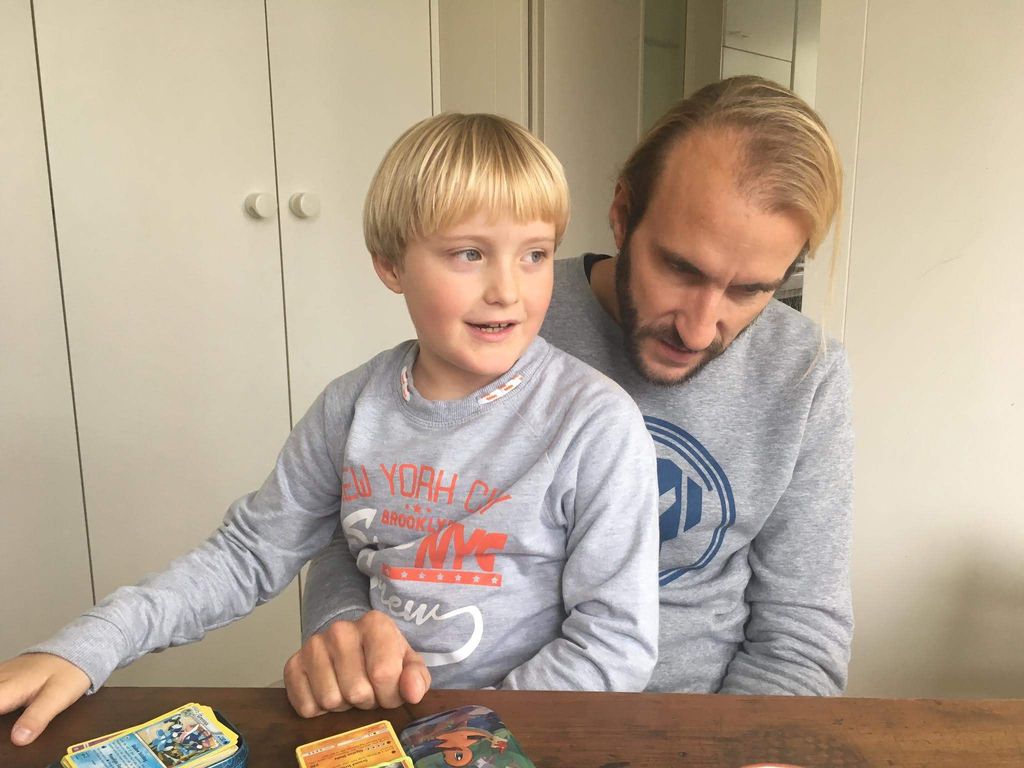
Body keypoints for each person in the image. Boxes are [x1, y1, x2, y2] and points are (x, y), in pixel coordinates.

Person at [0, 113, 661, 746]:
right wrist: (89, 645)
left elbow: (615, 643)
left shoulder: (595, 423)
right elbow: (247, 554)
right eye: (469, 253)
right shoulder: (351, 406)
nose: (508, 291)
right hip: (366, 727)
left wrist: (466, 738)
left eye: (535, 255)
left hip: (501, 740)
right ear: (391, 265)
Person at [293, 75, 854, 710]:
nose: (699, 329)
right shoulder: (500, 314)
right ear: (621, 214)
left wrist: (737, 750)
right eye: (679, 268)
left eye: (750, 290)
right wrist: (343, 629)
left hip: (694, 723)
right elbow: (364, 525)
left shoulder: (806, 373)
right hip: (450, 716)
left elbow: (800, 635)